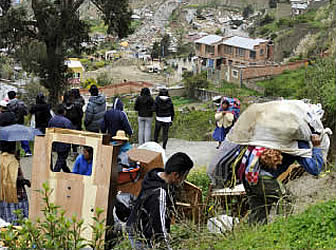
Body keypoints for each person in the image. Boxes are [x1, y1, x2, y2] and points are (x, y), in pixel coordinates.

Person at [243, 135, 324, 225]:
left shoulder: (271, 134)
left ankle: (255, 235)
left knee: (259, 211)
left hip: (249, 175)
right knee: (286, 201)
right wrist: (316, 147)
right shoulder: (298, 142)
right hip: (264, 178)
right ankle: (281, 230)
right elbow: (315, 168)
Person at [126, 152, 194, 249]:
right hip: (141, 236)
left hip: (135, 225)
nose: (184, 180)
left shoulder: (155, 176)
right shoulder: (159, 194)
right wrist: (167, 247)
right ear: (176, 175)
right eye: (184, 176)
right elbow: (159, 229)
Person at [0, 147, 30, 224]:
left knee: (6, 220)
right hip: (16, 196)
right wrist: (24, 181)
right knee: (19, 220)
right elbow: (13, 179)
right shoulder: (12, 160)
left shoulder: (1, 158)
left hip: (4, 196)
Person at [48, 104, 73, 172]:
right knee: (61, 160)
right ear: (64, 111)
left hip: (54, 143)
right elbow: (71, 133)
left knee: (62, 161)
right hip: (64, 144)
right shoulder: (67, 122)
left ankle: (68, 173)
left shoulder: (52, 120)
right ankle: (55, 173)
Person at [7, 91, 32, 157]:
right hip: (20, 123)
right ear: (15, 96)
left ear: (9, 97)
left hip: (11, 124)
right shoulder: (21, 104)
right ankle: (27, 151)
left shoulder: (8, 105)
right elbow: (26, 112)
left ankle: (12, 151)